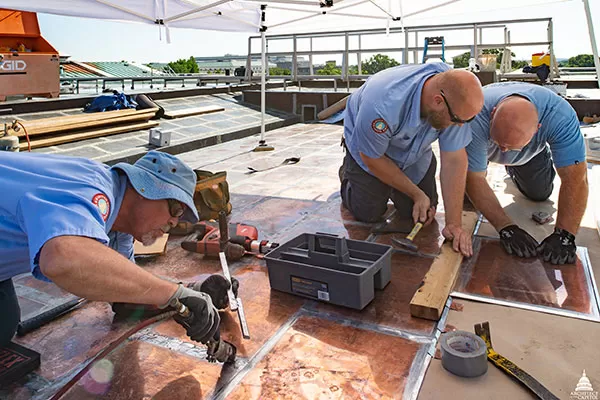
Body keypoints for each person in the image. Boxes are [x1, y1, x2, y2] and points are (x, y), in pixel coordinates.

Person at [0, 150, 229, 347]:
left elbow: (126, 295)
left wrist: (190, 293)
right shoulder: (92, 187)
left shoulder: (118, 228)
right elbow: (62, 259)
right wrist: (172, 293)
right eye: (176, 210)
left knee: (5, 322)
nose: (174, 223)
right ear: (146, 188)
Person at [339, 63, 484, 256]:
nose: (459, 126)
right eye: (456, 120)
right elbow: (373, 159)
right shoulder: (381, 105)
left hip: (414, 152)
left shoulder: (456, 99)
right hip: (370, 153)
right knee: (368, 213)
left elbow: (455, 159)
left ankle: (397, 185)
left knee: (420, 214)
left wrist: (454, 224)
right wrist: (416, 194)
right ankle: (348, 174)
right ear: (438, 101)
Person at [465, 82, 587, 265]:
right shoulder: (475, 115)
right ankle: (502, 149)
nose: (505, 151)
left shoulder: (560, 117)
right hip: (483, 144)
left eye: (510, 146)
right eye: (502, 144)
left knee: (539, 194)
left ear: (538, 128)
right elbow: (473, 178)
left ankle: (517, 164)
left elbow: (576, 178)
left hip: (529, 154)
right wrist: (506, 227)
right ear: (492, 114)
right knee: (466, 201)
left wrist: (565, 233)